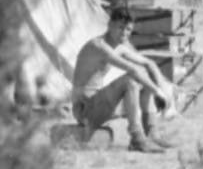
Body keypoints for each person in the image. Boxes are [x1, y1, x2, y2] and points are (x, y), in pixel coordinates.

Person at [72, 8, 178, 153]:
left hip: (101, 105)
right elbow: (132, 70)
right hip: (85, 109)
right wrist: (158, 92)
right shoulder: (98, 45)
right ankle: (137, 139)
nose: (124, 33)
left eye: (128, 29)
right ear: (110, 25)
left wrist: (163, 89)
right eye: (120, 27)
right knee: (131, 80)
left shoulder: (120, 47)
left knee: (144, 79)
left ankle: (151, 133)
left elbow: (149, 63)